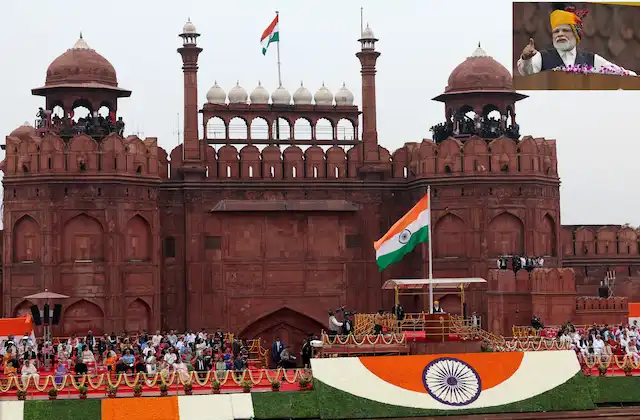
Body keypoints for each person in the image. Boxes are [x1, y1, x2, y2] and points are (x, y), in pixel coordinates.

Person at [517, 6, 637, 76]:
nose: (560, 34)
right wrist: (526, 59)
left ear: (576, 35)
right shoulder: (542, 56)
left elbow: (616, 71)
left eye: (565, 30)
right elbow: (527, 72)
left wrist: (633, 77)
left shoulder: (591, 59)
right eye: (556, 32)